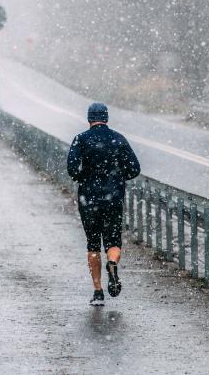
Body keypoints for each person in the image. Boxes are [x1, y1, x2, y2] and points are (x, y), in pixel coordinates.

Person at [67, 102, 141, 306]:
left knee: (92, 244)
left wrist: (85, 177)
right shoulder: (118, 139)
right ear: (106, 118)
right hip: (113, 198)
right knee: (113, 241)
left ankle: (98, 291)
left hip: (89, 199)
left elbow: (72, 169)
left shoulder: (80, 139)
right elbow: (135, 168)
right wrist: (117, 178)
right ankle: (112, 263)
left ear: (89, 118)